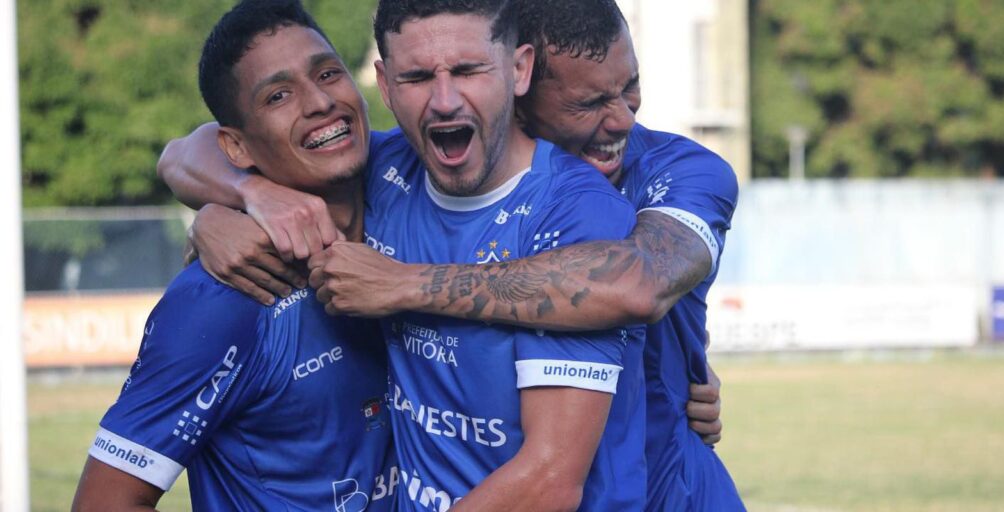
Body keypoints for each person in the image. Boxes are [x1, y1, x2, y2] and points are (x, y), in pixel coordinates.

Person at [159, 0, 738, 509]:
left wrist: (406, 285)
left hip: (673, 488)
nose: (623, 119)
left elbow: (639, 284)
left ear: (515, 69)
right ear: (525, 86)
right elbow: (192, 149)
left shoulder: (680, 170)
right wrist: (240, 198)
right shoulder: (405, 164)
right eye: (588, 104)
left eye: (629, 86)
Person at [71, 1, 396, 510]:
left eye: (329, 73)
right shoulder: (220, 300)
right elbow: (104, 502)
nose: (319, 102)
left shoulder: (414, 184)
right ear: (237, 148)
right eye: (279, 95)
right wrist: (243, 196)